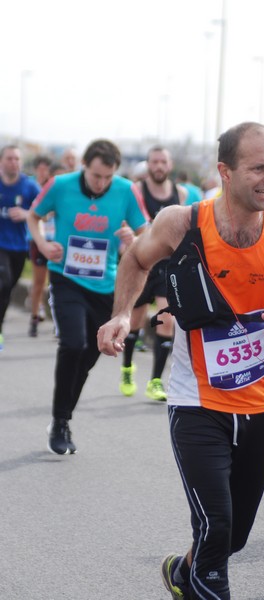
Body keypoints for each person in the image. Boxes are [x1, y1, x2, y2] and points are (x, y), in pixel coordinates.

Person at [98, 122, 264, 599]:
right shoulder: (182, 223)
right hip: (195, 400)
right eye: (259, 167)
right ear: (225, 171)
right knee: (217, 525)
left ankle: (183, 573)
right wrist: (122, 314)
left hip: (260, 402)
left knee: (233, 535)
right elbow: (137, 261)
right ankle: (205, 583)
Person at [27, 139, 147, 455]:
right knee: (73, 343)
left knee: (88, 358)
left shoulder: (125, 190)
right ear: (85, 166)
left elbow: (147, 233)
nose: (102, 183)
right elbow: (33, 216)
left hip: (105, 285)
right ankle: (59, 420)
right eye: (96, 176)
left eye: (108, 177)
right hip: (65, 278)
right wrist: (41, 244)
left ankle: (63, 419)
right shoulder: (60, 184)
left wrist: (132, 238)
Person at [119, 145, 187, 401]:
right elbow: (124, 223)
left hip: (167, 267)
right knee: (134, 322)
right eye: (154, 161)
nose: (159, 166)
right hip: (140, 263)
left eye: (163, 162)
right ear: (148, 164)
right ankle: (127, 368)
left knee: (166, 320)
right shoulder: (136, 192)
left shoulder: (179, 193)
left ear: (169, 166)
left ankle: (156, 381)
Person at [0, 145, 41, 351]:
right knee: (3, 280)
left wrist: (26, 214)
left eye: (17, 159)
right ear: (1, 161)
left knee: (7, 287)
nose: (13, 162)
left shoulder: (29, 186)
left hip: (19, 246)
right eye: (9, 158)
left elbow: (45, 209)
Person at [27, 154, 54, 337]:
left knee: (56, 284)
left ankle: (58, 324)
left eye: (47, 169)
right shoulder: (33, 187)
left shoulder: (57, 188)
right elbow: (36, 215)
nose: (43, 172)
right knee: (39, 282)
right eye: (41, 168)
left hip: (57, 241)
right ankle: (35, 316)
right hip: (38, 240)